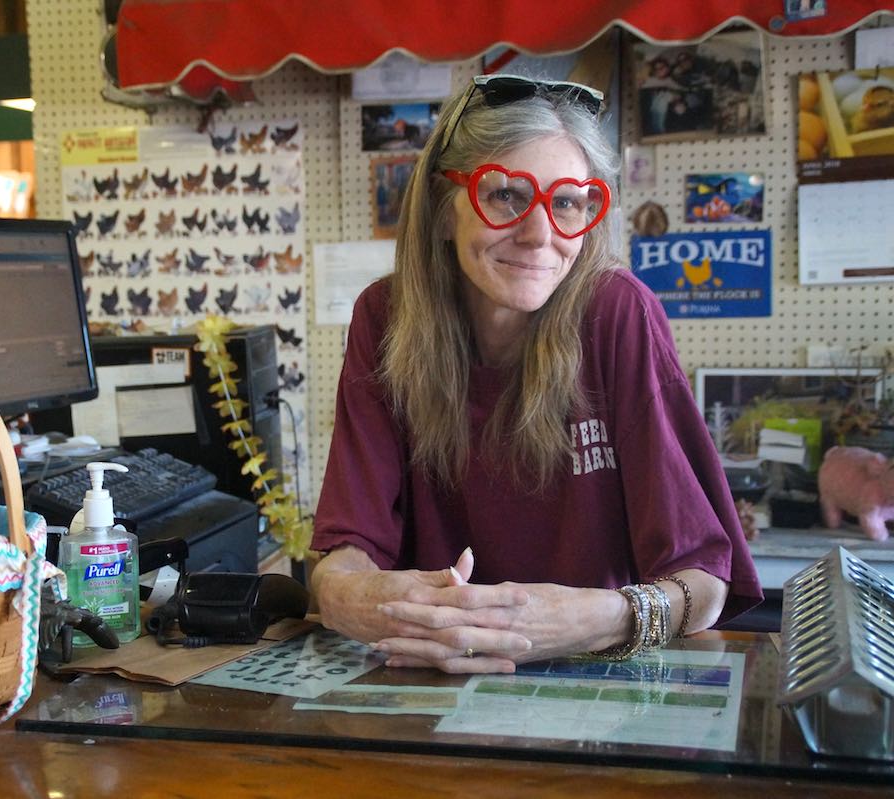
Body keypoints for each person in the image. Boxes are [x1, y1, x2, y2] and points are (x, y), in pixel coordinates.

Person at [310, 74, 763, 673]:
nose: (540, 234)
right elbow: (343, 558)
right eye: (506, 196)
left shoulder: (619, 312)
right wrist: (353, 598)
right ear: (445, 210)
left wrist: (595, 617)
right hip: (432, 694)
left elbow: (704, 585)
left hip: (602, 694)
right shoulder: (383, 317)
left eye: (568, 202)